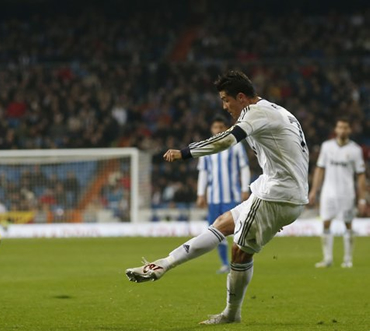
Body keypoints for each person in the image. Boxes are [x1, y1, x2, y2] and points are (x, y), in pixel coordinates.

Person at [125, 70, 309, 325]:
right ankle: (163, 264)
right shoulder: (278, 111)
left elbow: (227, 140)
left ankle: (231, 314)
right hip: (279, 189)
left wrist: (185, 152)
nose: (224, 106)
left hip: (277, 195)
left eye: (226, 99)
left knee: (240, 252)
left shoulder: (256, 113)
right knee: (223, 223)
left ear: (241, 97)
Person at [308, 118, 366, 268]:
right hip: (328, 192)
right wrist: (314, 191)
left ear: (349, 130)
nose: (342, 130)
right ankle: (327, 259)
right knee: (326, 222)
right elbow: (320, 169)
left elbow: (360, 175)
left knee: (348, 224)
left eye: (345, 128)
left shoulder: (355, 150)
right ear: (336, 129)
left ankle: (347, 260)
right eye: (340, 127)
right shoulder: (327, 147)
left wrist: (362, 199)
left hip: (347, 193)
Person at [196, 115, 251, 274]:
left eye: (221, 127)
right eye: (215, 127)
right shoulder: (207, 148)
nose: (218, 130)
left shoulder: (235, 145)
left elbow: (244, 167)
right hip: (214, 198)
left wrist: (245, 189)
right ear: (211, 130)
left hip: (232, 197)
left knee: (238, 231)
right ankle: (225, 263)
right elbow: (203, 173)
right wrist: (201, 194)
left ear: (226, 129)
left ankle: (239, 261)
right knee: (214, 231)